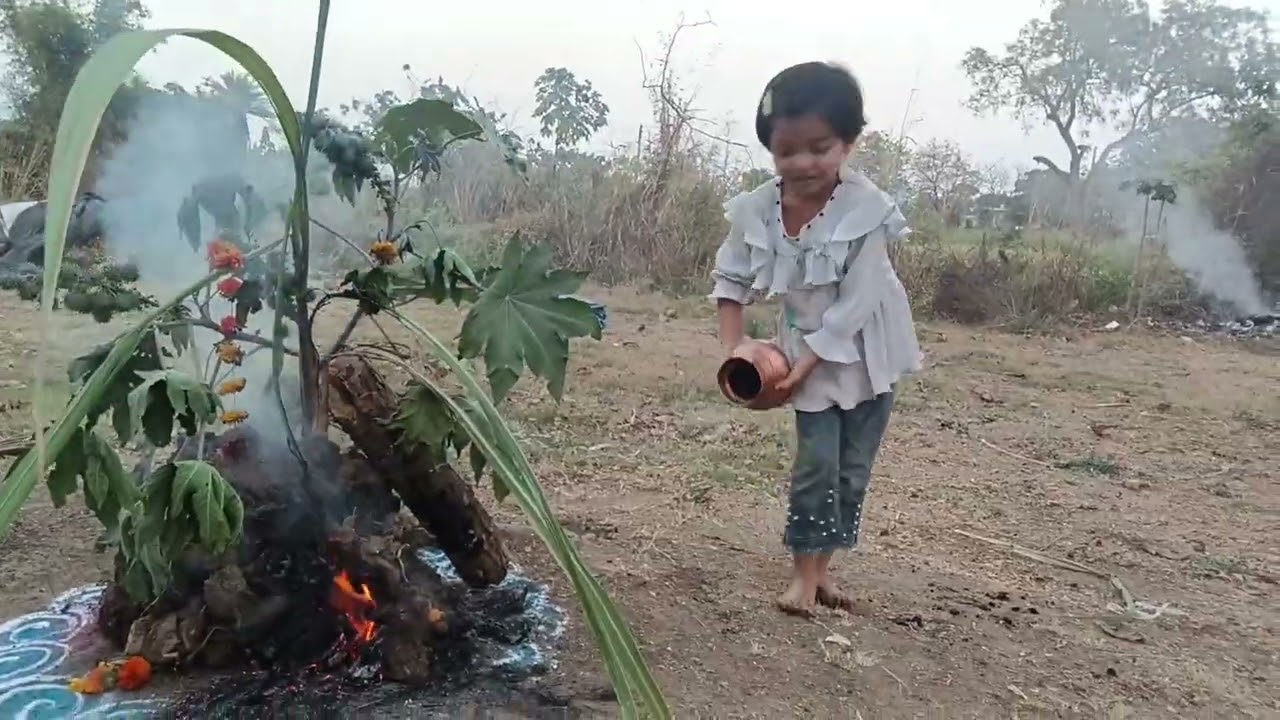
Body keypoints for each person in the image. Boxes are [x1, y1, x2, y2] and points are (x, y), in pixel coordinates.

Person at [710, 62, 922, 617]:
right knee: (816, 467)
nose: (803, 163)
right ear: (770, 149)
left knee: (852, 471)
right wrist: (736, 350)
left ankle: (823, 572)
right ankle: (802, 577)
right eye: (786, 151)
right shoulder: (757, 210)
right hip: (806, 354)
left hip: (868, 353)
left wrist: (801, 369)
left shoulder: (867, 210)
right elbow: (730, 281)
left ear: (849, 143)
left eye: (819, 147)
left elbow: (855, 305)